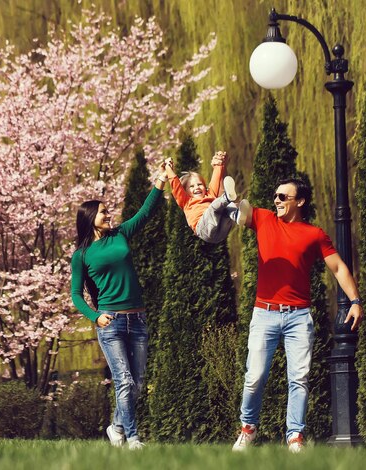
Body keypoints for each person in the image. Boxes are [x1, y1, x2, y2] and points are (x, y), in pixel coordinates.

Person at [232, 177, 363, 453]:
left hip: (298, 318)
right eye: (275, 196)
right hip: (264, 314)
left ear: (299, 201)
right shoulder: (264, 219)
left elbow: (338, 267)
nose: (276, 200)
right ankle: (247, 429)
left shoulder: (314, 234)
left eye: (283, 197)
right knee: (254, 376)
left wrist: (355, 300)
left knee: (299, 378)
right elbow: (238, 209)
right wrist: (222, 180)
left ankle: (295, 437)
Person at [70, 161, 168, 450]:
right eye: (103, 212)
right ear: (90, 218)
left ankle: (115, 427)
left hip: (137, 319)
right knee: (123, 380)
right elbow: (76, 294)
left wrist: (161, 179)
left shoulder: (120, 233)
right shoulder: (82, 255)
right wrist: (94, 315)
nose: (108, 213)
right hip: (110, 322)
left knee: (136, 384)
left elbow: (146, 213)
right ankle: (132, 438)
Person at [164, 150, 251, 244]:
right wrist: (168, 169)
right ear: (185, 192)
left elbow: (216, 179)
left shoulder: (210, 194)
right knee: (214, 206)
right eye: (192, 186)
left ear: (205, 186)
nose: (197, 187)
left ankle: (236, 215)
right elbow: (176, 185)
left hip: (222, 231)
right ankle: (227, 197)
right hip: (204, 229)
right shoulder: (186, 201)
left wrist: (219, 163)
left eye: (199, 184)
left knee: (227, 206)